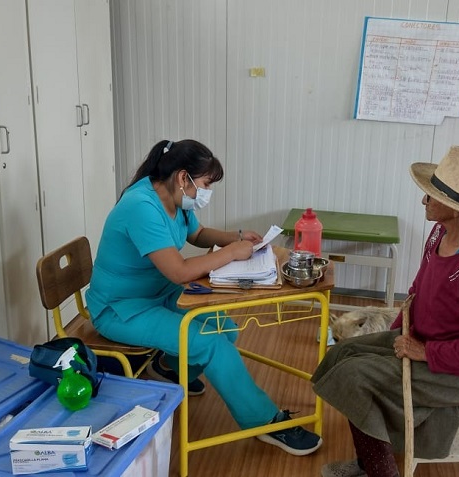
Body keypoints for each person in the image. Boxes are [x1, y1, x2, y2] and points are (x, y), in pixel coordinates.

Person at [85, 139, 322, 456]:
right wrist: (231, 252)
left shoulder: (172, 196)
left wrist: (237, 237)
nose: (207, 191)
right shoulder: (141, 207)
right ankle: (266, 422)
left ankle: (169, 368)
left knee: (227, 329)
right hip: (121, 308)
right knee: (212, 344)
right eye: (206, 184)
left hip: (158, 293)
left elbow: (196, 234)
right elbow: (180, 271)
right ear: (183, 177)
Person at [313, 146, 459, 477]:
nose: (424, 200)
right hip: (425, 338)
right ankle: (370, 461)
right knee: (344, 353)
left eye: (432, 196)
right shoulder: (440, 232)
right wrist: (393, 337)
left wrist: (424, 352)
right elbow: (417, 291)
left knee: (355, 376)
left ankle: (380, 471)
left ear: (456, 209)